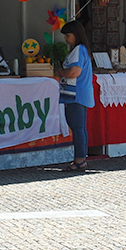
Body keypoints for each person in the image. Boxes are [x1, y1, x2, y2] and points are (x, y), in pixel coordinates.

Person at [57, 20, 94, 172]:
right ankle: (80, 159)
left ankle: (79, 161)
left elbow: (74, 72)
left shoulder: (79, 49)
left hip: (76, 94)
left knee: (78, 128)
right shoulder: (82, 49)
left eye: (68, 35)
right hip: (79, 94)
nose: (66, 39)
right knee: (80, 128)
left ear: (76, 35)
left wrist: (61, 72)